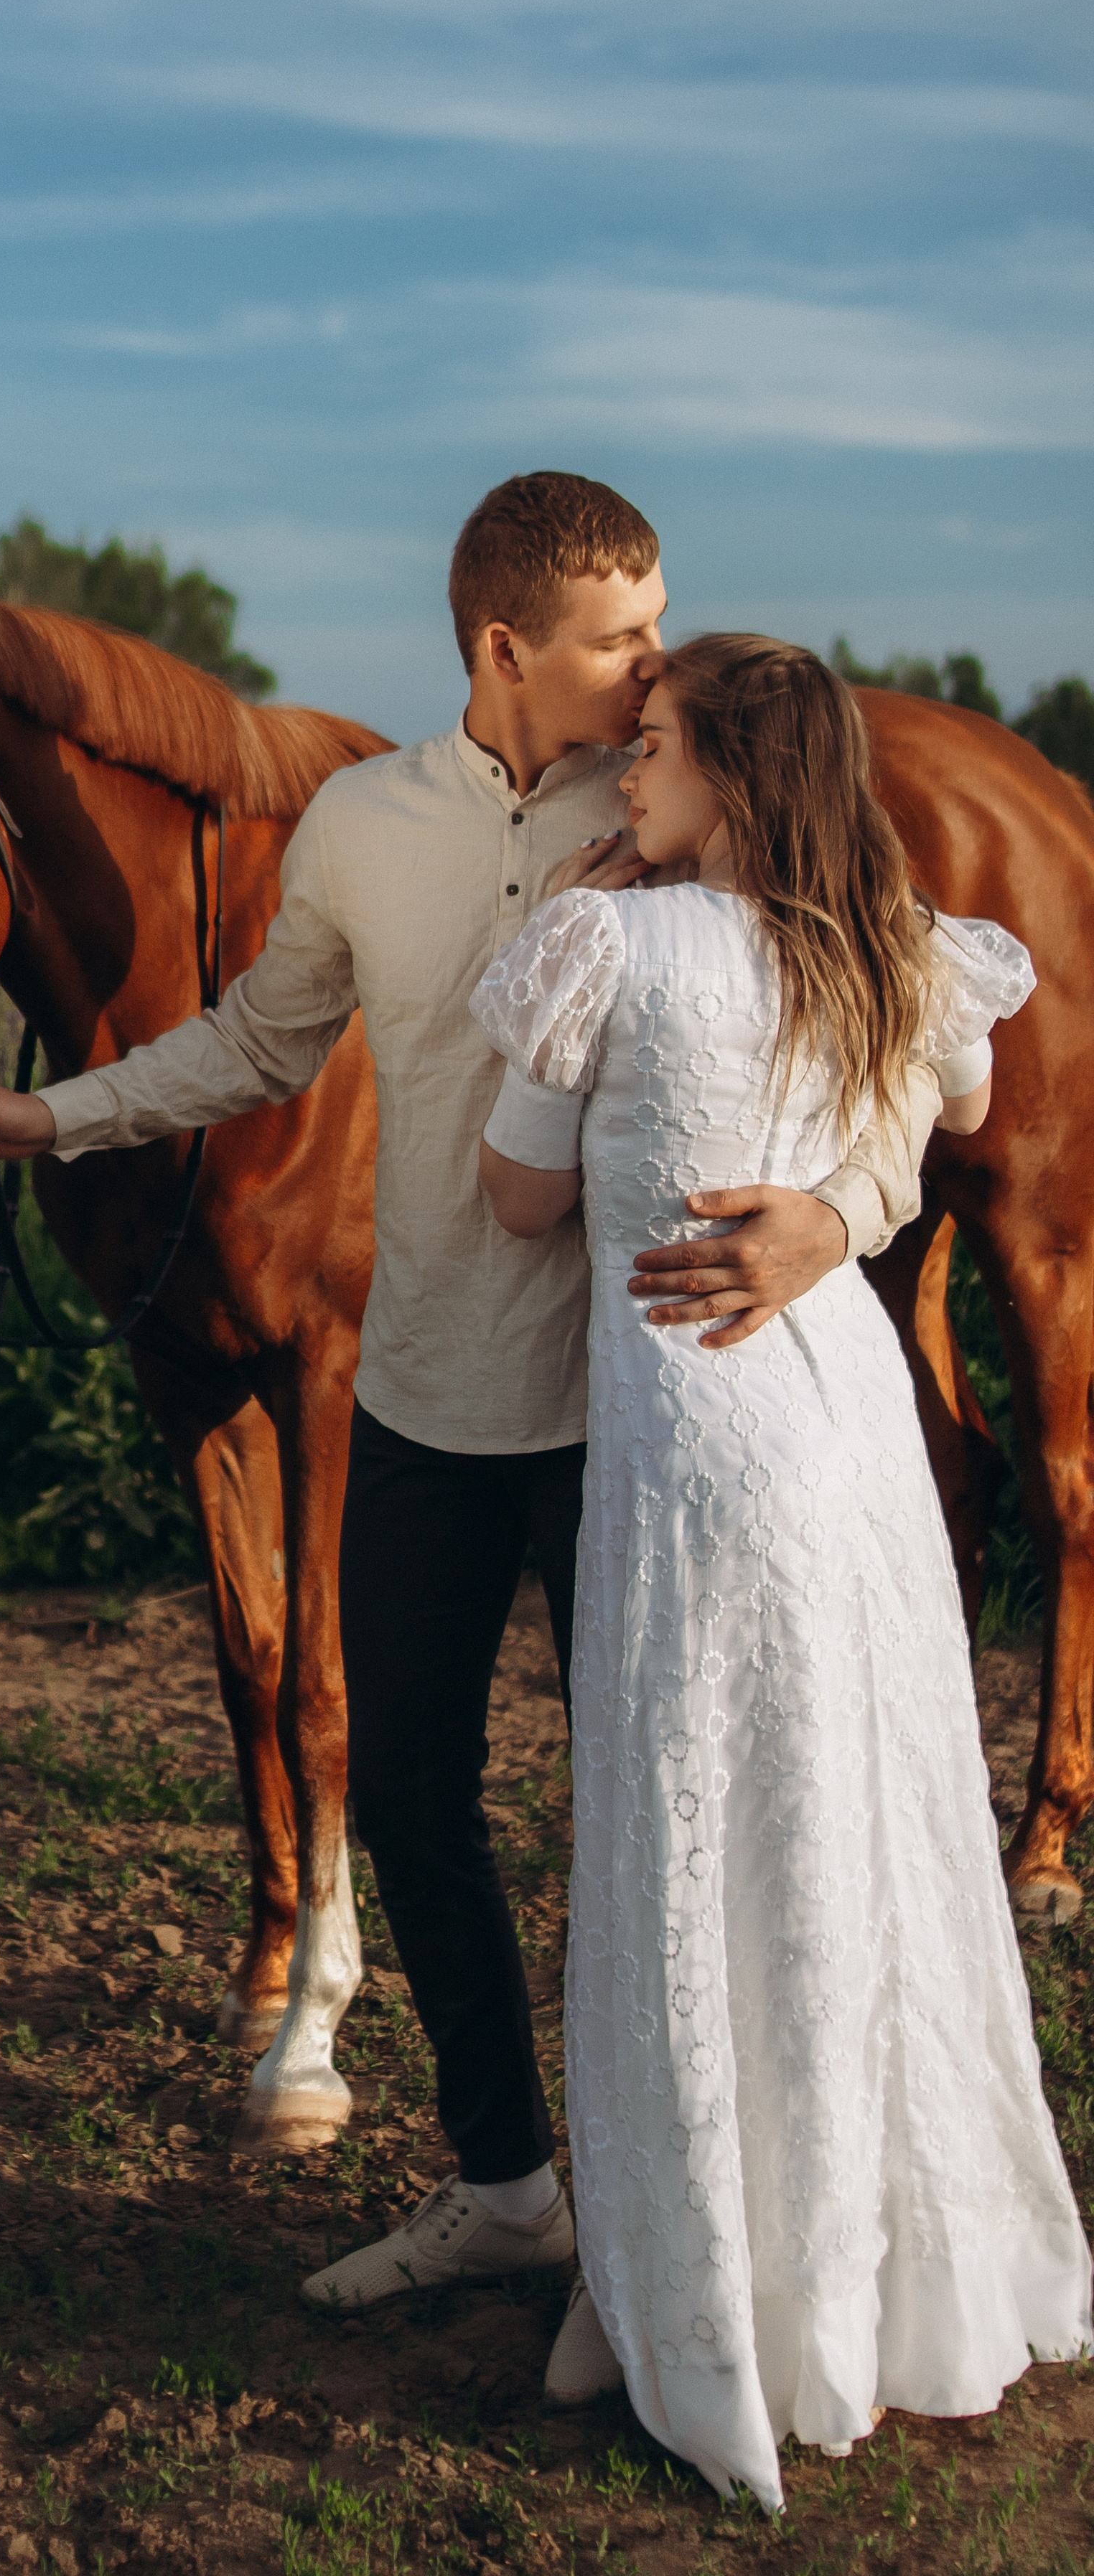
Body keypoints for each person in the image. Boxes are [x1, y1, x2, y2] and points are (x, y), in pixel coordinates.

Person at [0, 475, 935, 2311]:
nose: (649, 667)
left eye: (653, 633)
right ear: (502, 651)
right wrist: (44, 1113)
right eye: (619, 637)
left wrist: (835, 1221)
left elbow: (884, 1036)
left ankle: (676, 2235)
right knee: (408, 1797)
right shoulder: (358, 827)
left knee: (660, 1816)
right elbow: (259, 1036)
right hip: (428, 1399)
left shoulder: (698, 816)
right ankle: (505, 2181)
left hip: (649, 1406)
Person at [472, 635, 1093, 2505]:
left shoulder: (616, 944)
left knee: (690, 1846)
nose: (621, 776)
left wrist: (608, 950)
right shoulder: (894, 952)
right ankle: (886, 2274)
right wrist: (838, 1193)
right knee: (872, 1832)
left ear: (732, 775)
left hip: (705, 1462)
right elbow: (958, 1120)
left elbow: (514, 1199)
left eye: (650, 750)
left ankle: (705, 2291)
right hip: (860, 1461)